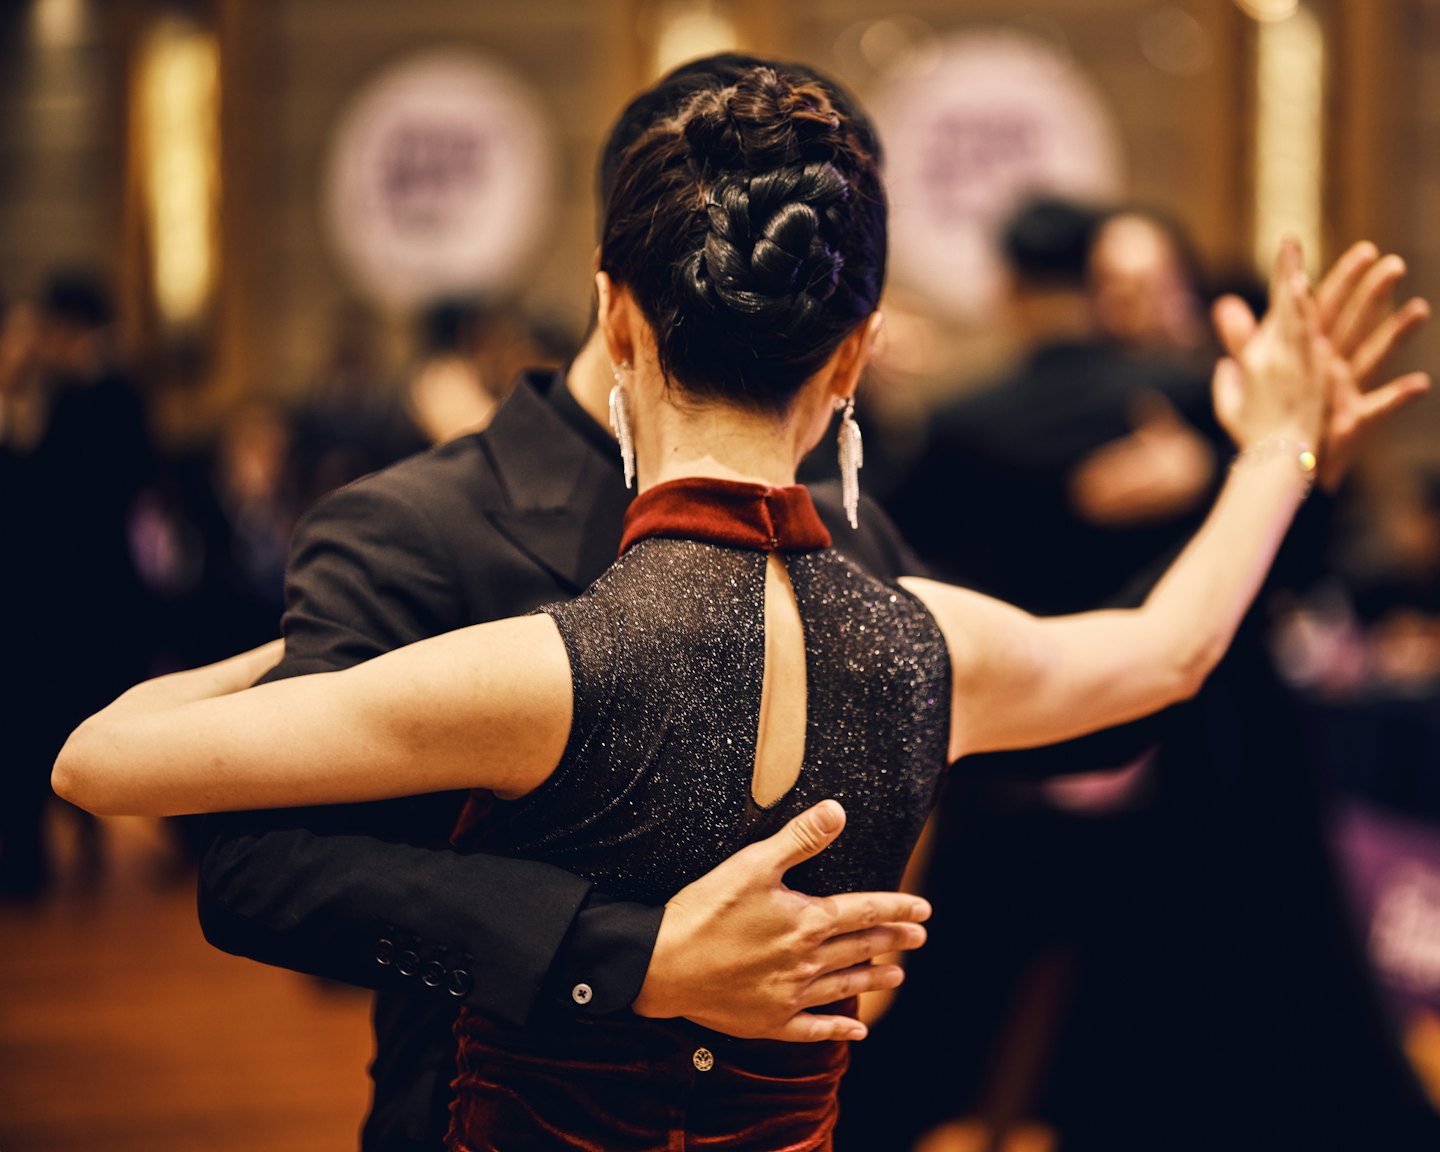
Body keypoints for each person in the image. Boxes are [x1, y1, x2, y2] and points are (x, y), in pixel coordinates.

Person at [55, 65, 1419, 1152]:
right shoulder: (421, 528)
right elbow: (1168, 651)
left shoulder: (563, 656)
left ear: (620, 313)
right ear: (852, 355)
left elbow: (100, 763)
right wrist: (1274, 455)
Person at [195, 54, 934, 1152]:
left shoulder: (844, 529)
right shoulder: (416, 523)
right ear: (619, 294)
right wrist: (621, 956)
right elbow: (259, 875)